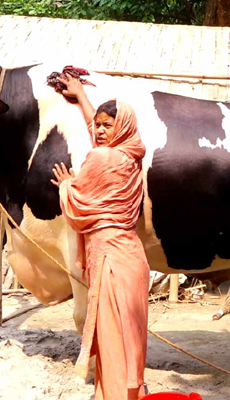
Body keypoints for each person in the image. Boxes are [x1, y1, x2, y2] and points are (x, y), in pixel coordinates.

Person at [51, 75, 150, 400]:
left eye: (108, 125)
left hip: (110, 261)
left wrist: (67, 185)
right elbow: (101, 143)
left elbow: (78, 203)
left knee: (111, 338)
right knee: (128, 339)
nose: (100, 130)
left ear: (120, 127)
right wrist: (81, 97)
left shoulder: (102, 159)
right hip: (130, 259)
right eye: (98, 125)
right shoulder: (130, 155)